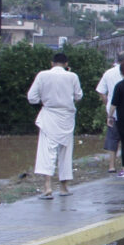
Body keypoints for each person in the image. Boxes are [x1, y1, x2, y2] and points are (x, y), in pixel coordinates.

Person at [25, 49, 82, 196]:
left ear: (52, 63)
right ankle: (63, 187)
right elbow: (78, 96)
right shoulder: (72, 76)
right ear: (66, 64)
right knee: (65, 152)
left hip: (49, 115)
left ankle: (47, 187)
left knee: (46, 151)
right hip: (67, 117)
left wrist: (44, 100)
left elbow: (32, 97)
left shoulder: (42, 75)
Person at [95, 55, 124, 159]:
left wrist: (106, 103)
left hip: (113, 112)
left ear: (116, 60)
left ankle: (111, 166)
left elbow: (101, 91)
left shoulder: (108, 73)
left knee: (112, 139)